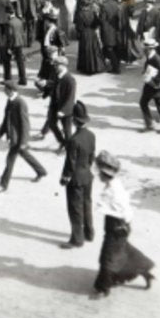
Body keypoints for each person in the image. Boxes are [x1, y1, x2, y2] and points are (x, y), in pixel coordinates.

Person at [92, 152, 154, 296]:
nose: (98, 176)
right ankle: (144, 271)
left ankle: (103, 288)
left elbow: (123, 210)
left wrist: (121, 225)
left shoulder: (113, 190)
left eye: (100, 173)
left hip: (116, 226)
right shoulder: (113, 185)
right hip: (117, 226)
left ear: (105, 174)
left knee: (107, 257)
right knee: (123, 251)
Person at [0, 81, 46, 192]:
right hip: (14, 137)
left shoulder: (20, 103)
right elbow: (7, 117)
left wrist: (23, 142)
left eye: (5, 89)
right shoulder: (10, 100)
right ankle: (41, 171)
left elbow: (25, 124)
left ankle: (3, 185)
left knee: (9, 162)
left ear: (11, 90)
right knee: (25, 155)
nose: (3, 91)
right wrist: (2, 130)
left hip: (18, 139)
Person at [60, 101, 95, 249]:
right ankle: (89, 232)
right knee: (87, 204)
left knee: (75, 208)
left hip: (75, 179)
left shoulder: (73, 140)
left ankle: (77, 239)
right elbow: (92, 156)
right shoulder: (91, 135)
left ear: (74, 121)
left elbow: (70, 163)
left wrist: (65, 177)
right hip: (87, 174)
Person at [139, 37, 160, 134]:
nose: (143, 50)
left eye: (145, 48)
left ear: (149, 49)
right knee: (143, 103)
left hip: (156, 87)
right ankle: (150, 124)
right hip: (150, 86)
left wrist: (154, 82)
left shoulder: (156, 58)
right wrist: (145, 72)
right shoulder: (150, 56)